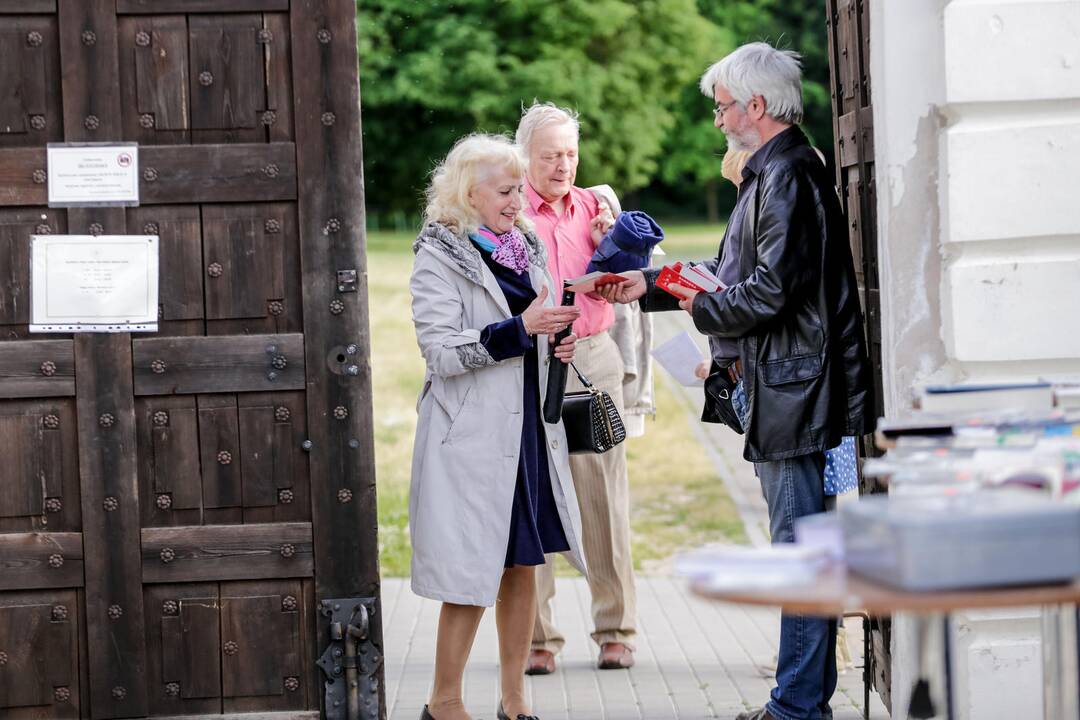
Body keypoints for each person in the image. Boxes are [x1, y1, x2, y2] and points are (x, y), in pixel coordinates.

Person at [598, 42, 873, 720]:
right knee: (800, 550)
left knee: (799, 554)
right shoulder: (773, 172)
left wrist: (696, 305)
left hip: (794, 386)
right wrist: (651, 283)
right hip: (786, 382)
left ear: (756, 106)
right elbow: (728, 273)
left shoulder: (789, 175)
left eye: (722, 107)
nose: (717, 120)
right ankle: (798, 703)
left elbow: (768, 292)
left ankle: (797, 709)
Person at [409, 133, 587, 720]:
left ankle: (515, 703)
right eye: (506, 190)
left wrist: (554, 340)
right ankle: (445, 702)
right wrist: (521, 330)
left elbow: (533, 323)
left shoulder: (523, 244)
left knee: (523, 564)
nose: (518, 201)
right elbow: (440, 352)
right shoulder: (438, 254)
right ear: (469, 192)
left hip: (528, 431)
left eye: (518, 189)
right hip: (475, 438)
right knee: (472, 571)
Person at [515, 102, 639, 673]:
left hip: (592, 358)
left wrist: (613, 249)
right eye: (550, 156)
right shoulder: (510, 212)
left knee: (602, 501)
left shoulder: (597, 206)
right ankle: (537, 640)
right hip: (531, 363)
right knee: (534, 499)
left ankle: (615, 630)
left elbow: (633, 282)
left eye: (570, 154)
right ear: (525, 157)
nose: (563, 165)